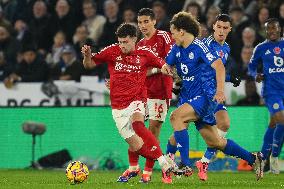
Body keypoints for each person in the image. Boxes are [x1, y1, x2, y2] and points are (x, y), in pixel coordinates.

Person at [161, 11, 264, 181]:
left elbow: (220, 68)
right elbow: (168, 65)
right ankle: (253, 158)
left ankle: (184, 165)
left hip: (204, 96)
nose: (171, 36)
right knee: (216, 142)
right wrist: (167, 69)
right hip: (188, 95)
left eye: (172, 32)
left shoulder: (201, 47)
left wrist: (220, 91)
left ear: (181, 31)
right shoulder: (177, 48)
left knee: (176, 118)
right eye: (219, 27)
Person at [81, 23, 176, 181]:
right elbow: (89, 64)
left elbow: (162, 63)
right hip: (117, 106)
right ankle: (136, 167)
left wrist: (166, 67)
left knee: (138, 124)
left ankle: (164, 163)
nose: (122, 46)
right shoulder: (112, 51)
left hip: (137, 99)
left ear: (134, 39)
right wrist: (87, 55)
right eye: (120, 42)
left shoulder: (145, 53)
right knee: (137, 146)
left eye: (125, 42)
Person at [116, 8, 174, 184]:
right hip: (143, 93)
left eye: (146, 21)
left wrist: (156, 69)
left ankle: (148, 172)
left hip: (161, 92)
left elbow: (170, 63)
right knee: (135, 129)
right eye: (140, 22)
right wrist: (156, 69)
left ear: (154, 21)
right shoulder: (139, 45)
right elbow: (139, 71)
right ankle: (134, 166)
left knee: (153, 132)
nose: (142, 25)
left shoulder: (163, 37)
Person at [248, 18, 284, 175]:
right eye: (268, 29)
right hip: (271, 91)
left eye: (274, 28)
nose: (271, 31)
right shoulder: (261, 48)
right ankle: (275, 159)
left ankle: (262, 158)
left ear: (280, 29)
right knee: (281, 120)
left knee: (273, 124)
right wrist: (256, 74)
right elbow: (251, 66)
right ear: (265, 31)